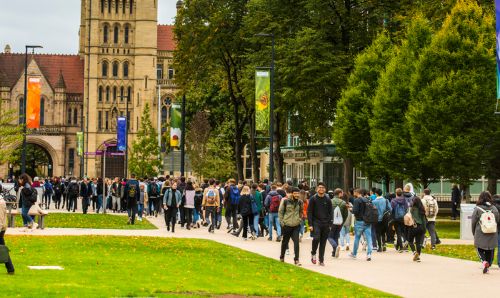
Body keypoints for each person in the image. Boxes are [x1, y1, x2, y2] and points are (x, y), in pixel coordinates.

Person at [472, 191, 500, 274]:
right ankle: (488, 264)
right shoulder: (494, 208)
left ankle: (484, 262)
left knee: (479, 248)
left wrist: (474, 232)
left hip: (480, 232)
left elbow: (473, 221)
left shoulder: (477, 208)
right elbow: (498, 220)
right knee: (490, 249)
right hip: (492, 232)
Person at [308, 182, 333, 266]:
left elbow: (331, 212)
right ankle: (313, 253)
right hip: (316, 222)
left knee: (323, 242)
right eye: (319, 187)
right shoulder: (313, 199)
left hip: (325, 223)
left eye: (322, 187)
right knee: (316, 238)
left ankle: (321, 260)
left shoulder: (328, 199)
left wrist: (330, 224)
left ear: (325, 189)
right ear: (317, 189)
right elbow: (309, 212)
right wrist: (310, 224)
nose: (321, 189)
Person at [279, 187, 303, 266]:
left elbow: (301, 211)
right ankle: (282, 257)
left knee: (296, 243)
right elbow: (281, 212)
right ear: (292, 194)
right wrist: (282, 222)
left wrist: (299, 219)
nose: (297, 195)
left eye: (298, 193)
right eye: (295, 193)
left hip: (296, 225)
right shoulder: (285, 201)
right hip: (287, 225)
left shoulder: (300, 202)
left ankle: (296, 260)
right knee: (285, 242)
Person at [349, 189, 374, 261]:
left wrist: (351, 210)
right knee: (369, 238)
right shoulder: (368, 200)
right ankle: (369, 254)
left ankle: (354, 254)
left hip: (359, 221)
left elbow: (355, 211)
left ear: (358, 193)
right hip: (368, 221)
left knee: (357, 238)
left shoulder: (357, 200)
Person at [328, 188, 348, 258]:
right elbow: (346, 214)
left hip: (331, 222)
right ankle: (334, 252)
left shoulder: (330, 201)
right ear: (339, 194)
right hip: (339, 222)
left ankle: (335, 246)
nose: (342, 194)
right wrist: (342, 222)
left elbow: (327, 212)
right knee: (336, 236)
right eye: (342, 193)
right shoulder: (343, 203)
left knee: (329, 236)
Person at [407, 197, 427, 262]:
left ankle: (414, 252)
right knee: (418, 243)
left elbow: (408, 218)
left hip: (412, 227)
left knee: (410, 241)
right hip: (420, 227)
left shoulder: (411, 209)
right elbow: (424, 221)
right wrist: (424, 230)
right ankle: (418, 256)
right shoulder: (422, 210)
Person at [0, 194, 15, 274]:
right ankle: (10, 269)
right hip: (1, 229)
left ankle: (11, 269)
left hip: (0, 229)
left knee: (2, 249)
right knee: (2, 249)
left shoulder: (0, 203)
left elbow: (0, 218)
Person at [391, 188, 409, 252]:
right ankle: (406, 246)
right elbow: (407, 209)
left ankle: (401, 247)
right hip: (403, 218)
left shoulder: (393, 200)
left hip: (396, 218)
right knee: (404, 232)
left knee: (398, 233)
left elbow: (391, 210)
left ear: (396, 193)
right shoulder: (405, 200)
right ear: (402, 193)